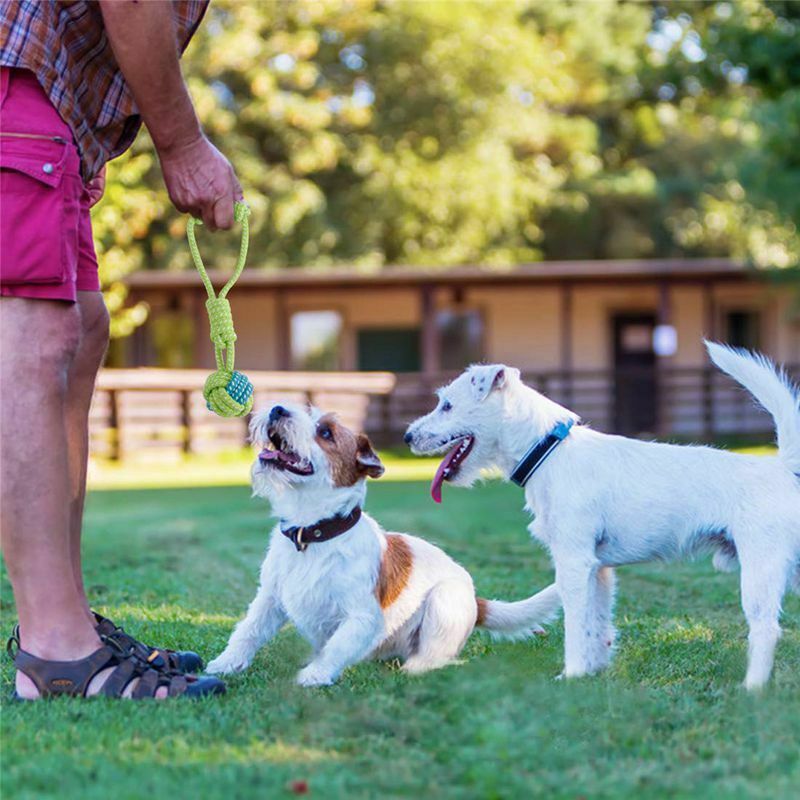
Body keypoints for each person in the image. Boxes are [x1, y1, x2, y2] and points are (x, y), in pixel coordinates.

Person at [0, 0, 241, 700]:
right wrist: (182, 144)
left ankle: (67, 619)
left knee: (83, 327)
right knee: (33, 334)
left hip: (51, 103)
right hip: (16, 75)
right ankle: (55, 651)